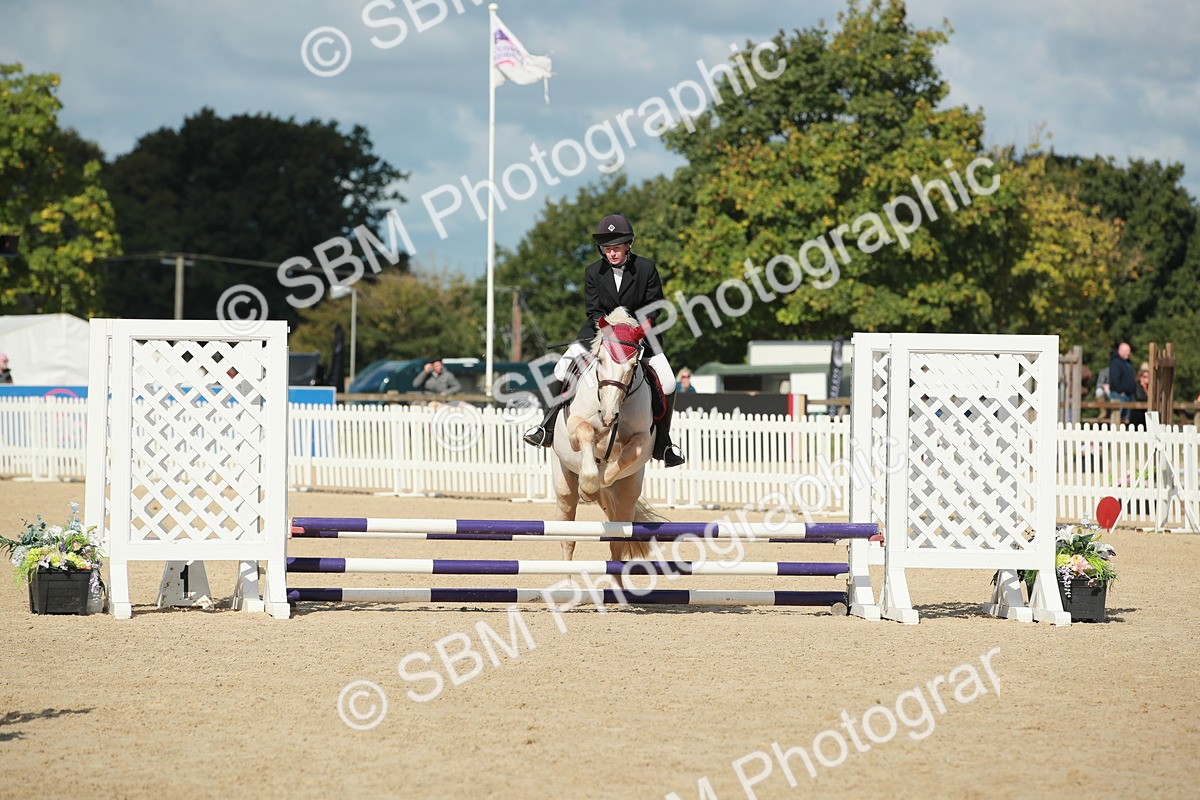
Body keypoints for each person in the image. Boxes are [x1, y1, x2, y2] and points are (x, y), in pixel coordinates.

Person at [522, 213, 685, 467]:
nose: (612, 254)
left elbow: (654, 307)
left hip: (640, 335)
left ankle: (663, 442)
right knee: (561, 367)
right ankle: (547, 427)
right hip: (600, 333)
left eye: (616, 248)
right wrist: (609, 332)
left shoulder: (645, 268)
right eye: (607, 249)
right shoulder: (592, 272)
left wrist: (635, 331)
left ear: (628, 245)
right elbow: (594, 311)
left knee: (668, 381)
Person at [1107, 342, 1137, 423]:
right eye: (1126, 351)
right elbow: (1114, 380)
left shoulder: (1127, 363)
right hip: (1119, 395)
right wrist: (1120, 391)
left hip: (1128, 395)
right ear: (1120, 350)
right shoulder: (1116, 363)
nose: (1129, 353)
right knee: (1117, 419)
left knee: (1125, 420)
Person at [1128, 363, 1151, 429]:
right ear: (1140, 377)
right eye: (1144, 377)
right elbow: (1139, 397)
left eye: (1148, 377)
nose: (1147, 379)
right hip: (1137, 414)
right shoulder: (1137, 386)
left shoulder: (1151, 388)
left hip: (1147, 414)